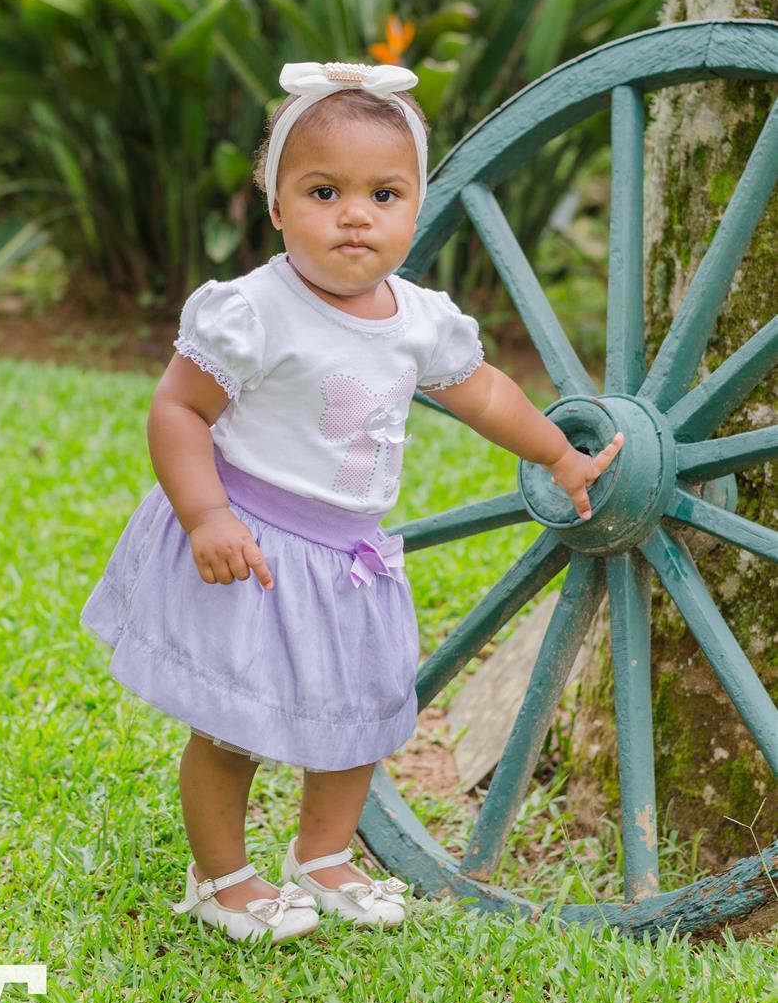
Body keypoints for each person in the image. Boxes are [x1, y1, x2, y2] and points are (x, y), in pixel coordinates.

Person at [80, 60, 624, 946]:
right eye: (324, 190)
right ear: (276, 206)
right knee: (232, 726)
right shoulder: (253, 311)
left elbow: (483, 393)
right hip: (251, 540)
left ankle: (322, 856)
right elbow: (177, 409)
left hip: (350, 555)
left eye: (384, 193)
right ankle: (221, 876)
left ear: (414, 208)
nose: (355, 214)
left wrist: (559, 453)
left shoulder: (418, 318)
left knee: (360, 716)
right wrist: (205, 514)